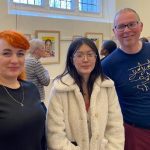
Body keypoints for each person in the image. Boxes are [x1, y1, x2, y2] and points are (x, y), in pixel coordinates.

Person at [46, 37, 124, 150]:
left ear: (96, 58)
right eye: (79, 55)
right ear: (71, 59)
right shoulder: (60, 89)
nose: (86, 59)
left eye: (90, 54)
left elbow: (115, 128)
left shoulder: (107, 86)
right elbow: (55, 136)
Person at [101, 8, 150, 150]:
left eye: (131, 24)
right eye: (121, 26)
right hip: (136, 133)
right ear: (114, 31)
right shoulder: (107, 65)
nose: (127, 30)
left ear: (141, 26)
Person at [0, 30, 46, 150]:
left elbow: (41, 135)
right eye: (6, 53)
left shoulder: (31, 89)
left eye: (20, 54)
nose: (15, 60)